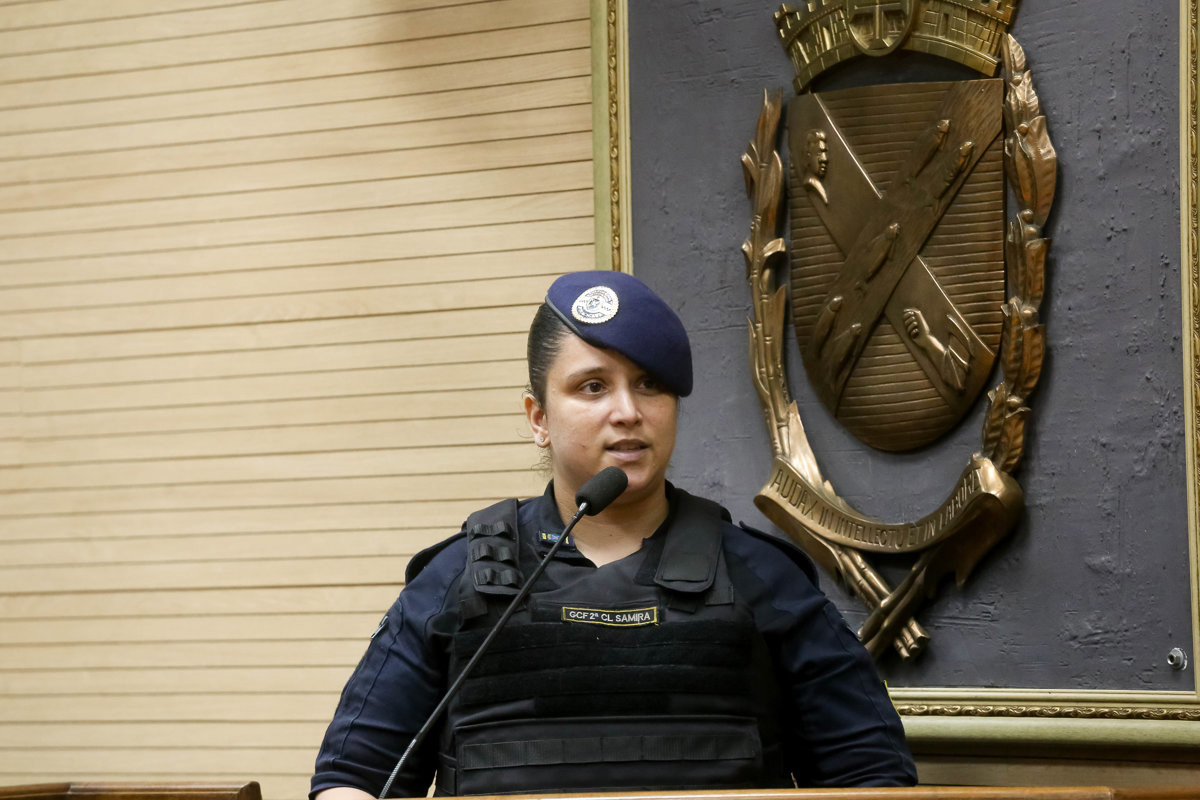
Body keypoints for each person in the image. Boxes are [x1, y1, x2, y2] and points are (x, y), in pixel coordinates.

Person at [310, 271, 917, 799]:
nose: (627, 411)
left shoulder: (761, 576)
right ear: (539, 418)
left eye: (649, 384)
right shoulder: (459, 578)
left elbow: (872, 776)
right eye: (592, 387)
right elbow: (354, 777)